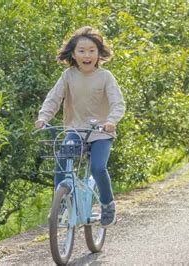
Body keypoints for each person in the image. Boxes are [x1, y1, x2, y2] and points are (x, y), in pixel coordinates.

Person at [34, 26, 125, 227]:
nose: (87, 55)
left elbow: (118, 103)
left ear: (99, 53)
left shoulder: (105, 77)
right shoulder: (68, 76)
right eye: (82, 51)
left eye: (92, 50)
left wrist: (111, 121)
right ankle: (61, 204)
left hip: (101, 132)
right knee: (62, 159)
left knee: (98, 167)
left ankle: (107, 203)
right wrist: (43, 117)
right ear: (73, 54)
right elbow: (53, 99)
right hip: (75, 130)